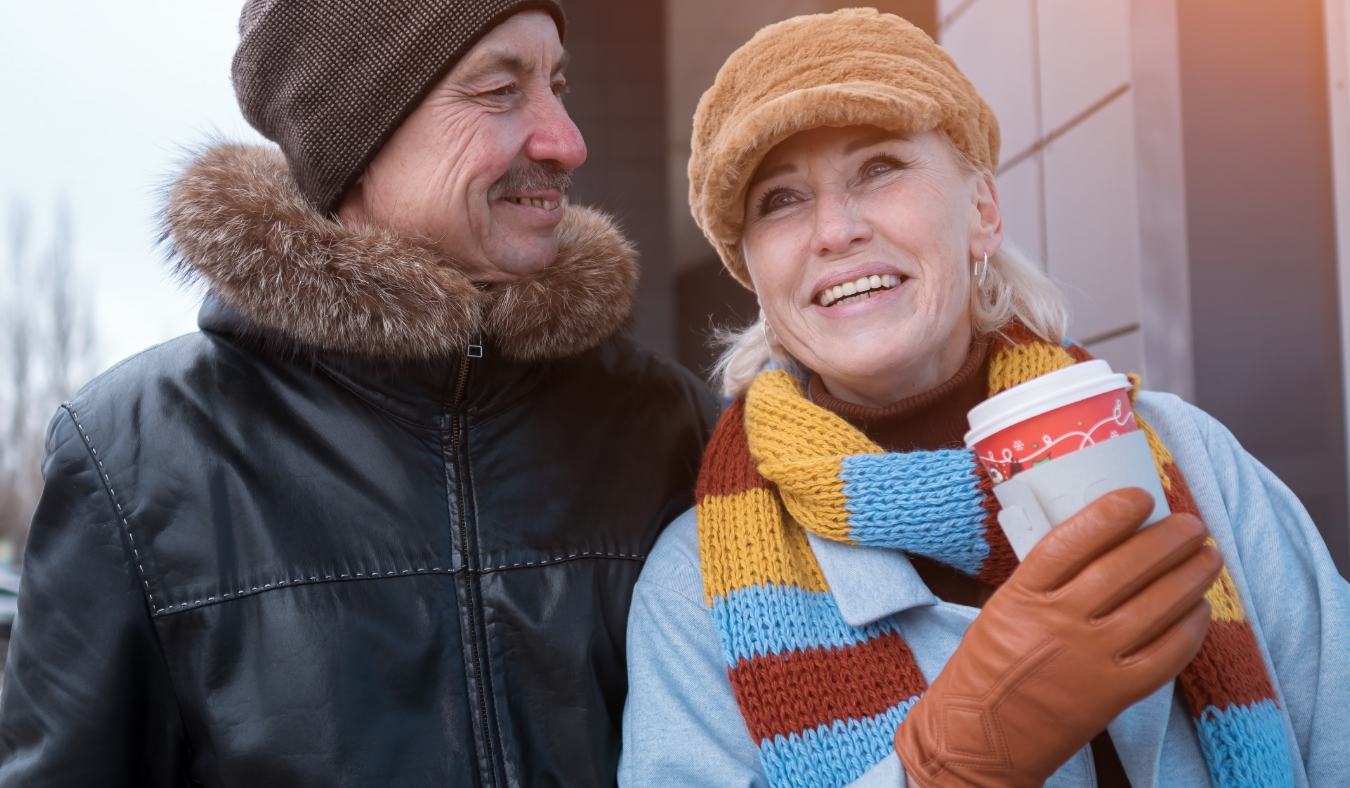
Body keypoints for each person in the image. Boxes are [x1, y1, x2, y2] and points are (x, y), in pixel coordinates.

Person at [619, 9, 1350, 788]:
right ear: (755, 276)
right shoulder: (691, 588)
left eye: (879, 167)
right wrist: (947, 770)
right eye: (781, 201)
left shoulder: (1192, 461)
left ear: (983, 212)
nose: (834, 230)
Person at [0, 2, 716, 785]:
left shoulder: (668, 426)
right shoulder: (133, 459)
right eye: (499, 90)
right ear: (354, 137)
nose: (567, 140)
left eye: (558, 82)